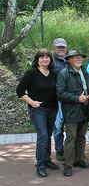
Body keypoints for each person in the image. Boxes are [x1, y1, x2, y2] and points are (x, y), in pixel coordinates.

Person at [16, 49, 60, 178]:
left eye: (47, 57)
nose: (45, 59)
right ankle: (40, 166)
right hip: (38, 110)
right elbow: (20, 90)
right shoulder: (32, 73)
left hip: (52, 109)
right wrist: (31, 102)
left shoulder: (53, 74)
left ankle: (46, 160)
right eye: (42, 57)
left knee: (48, 136)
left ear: (50, 60)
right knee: (42, 135)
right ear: (38, 59)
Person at [56, 49, 89, 177]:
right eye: (76, 57)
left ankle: (79, 159)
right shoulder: (64, 73)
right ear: (69, 59)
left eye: (80, 57)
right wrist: (76, 99)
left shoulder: (85, 72)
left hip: (85, 110)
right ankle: (68, 165)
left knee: (81, 136)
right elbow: (60, 93)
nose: (79, 59)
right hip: (71, 111)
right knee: (70, 138)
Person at [51, 38, 69, 162]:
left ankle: (71, 150)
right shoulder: (50, 61)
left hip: (71, 99)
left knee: (72, 125)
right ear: (54, 48)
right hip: (56, 99)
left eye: (63, 47)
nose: (61, 49)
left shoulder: (71, 60)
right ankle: (59, 150)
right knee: (58, 126)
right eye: (59, 47)